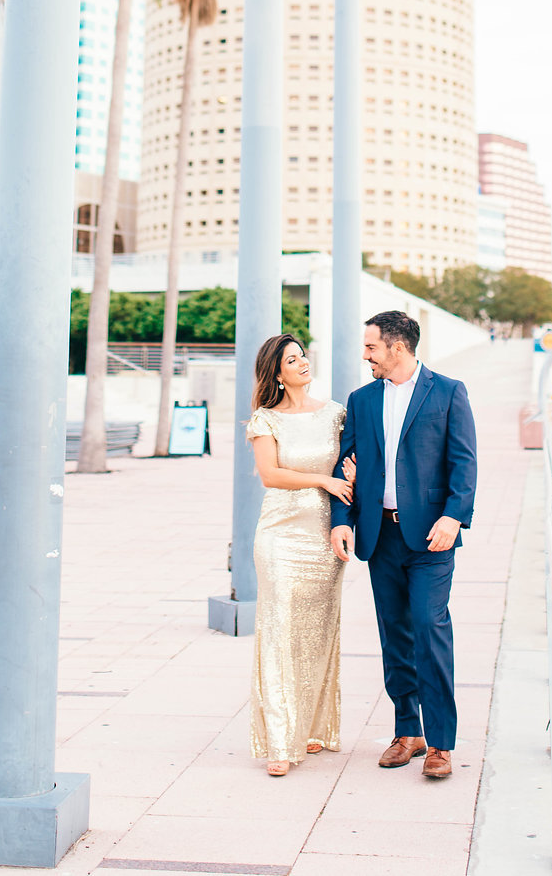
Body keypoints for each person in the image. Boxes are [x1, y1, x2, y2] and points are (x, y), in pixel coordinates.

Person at [330, 310, 477, 781]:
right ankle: (406, 732)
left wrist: (454, 516)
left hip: (432, 537)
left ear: (397, 347)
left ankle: (440, 744)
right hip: (381, 534)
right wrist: (342, 521)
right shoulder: (362, 399)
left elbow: (464, 462)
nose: (366, 355)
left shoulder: (449, 391)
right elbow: (344, 465)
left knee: (429, 628)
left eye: (371, 347)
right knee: (394, 633)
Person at [246, 333, 354, 777]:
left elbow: (352, 463)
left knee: (318, 632)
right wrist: (325, 481)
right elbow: (270, 475)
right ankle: (278, 740)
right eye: (293, 359)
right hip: (280, 536)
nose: (303, 362)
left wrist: (351, 474)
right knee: (278, 632)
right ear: (277, 372)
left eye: (303, 354)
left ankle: (308, 727)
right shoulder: (265, 419)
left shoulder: (335, 415)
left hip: (322, 539)